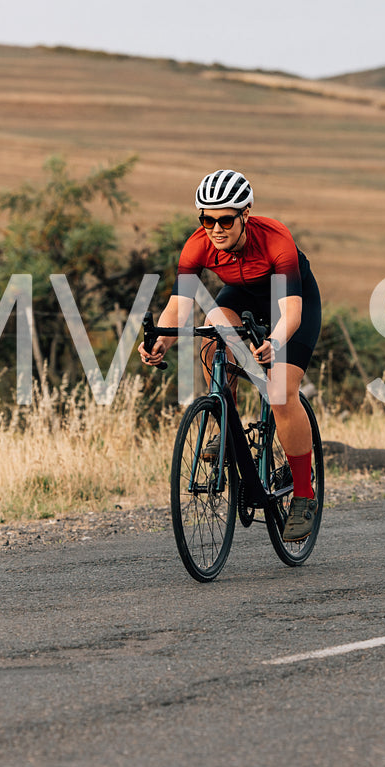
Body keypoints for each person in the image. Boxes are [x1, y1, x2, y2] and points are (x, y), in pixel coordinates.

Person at [138, 169, 322, 540]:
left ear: (246, 214)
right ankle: (226, 424)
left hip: (288, 305)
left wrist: (274, 341)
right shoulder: (197, 245)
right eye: (207, 219)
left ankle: (304, 493)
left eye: (225, 219)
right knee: (213, 327)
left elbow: (292, 314)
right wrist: (161, 341)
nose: (215, 229)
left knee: (280, 392)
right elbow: (179, 306)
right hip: (241, 296)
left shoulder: (275, 240)